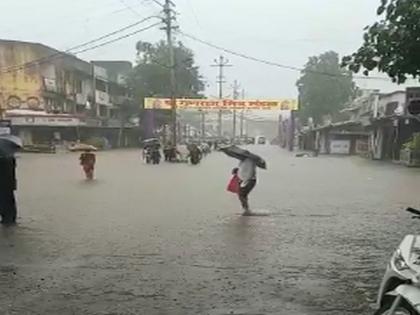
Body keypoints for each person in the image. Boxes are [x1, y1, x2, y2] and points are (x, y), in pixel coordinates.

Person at [0, 155, 17, 225]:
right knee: (9, 204)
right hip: (8, 184)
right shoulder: (9, 156)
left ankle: (8, 221)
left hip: (4, 184)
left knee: (6, 204)